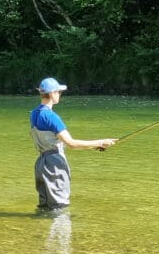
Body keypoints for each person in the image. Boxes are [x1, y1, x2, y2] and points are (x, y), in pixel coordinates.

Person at [30, 77, 116, 210]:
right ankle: (61, 230)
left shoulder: (34, 114)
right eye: (58, 92)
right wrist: (101, 142)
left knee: (45, 206)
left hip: (41, 163)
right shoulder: (51, 117)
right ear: (52, 93)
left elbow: (49, 139)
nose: (60, 95)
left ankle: (42, 230)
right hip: (54, 165)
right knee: (60, 207)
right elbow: (71, 144)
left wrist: (94, 145)